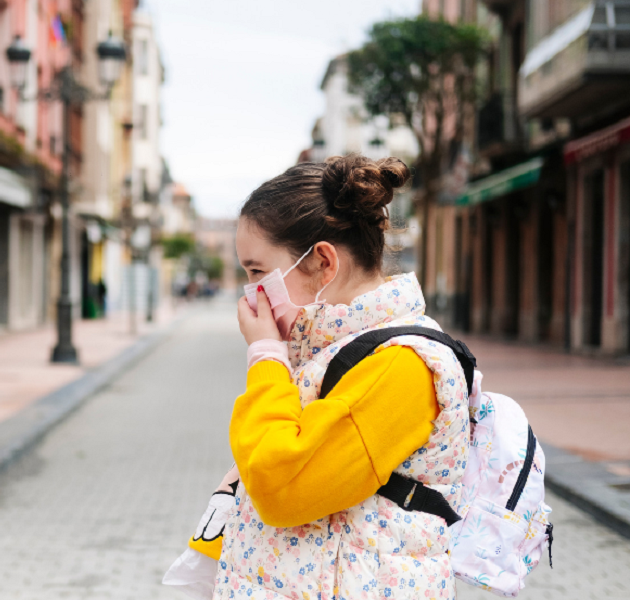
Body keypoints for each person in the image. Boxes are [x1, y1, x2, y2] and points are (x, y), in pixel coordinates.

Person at [165, 154, 469, 600]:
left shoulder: (403, 365)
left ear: (323, 262)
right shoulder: (330, 351)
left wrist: (265, 356)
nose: (249, 294)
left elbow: (280, 488)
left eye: (256, 272)